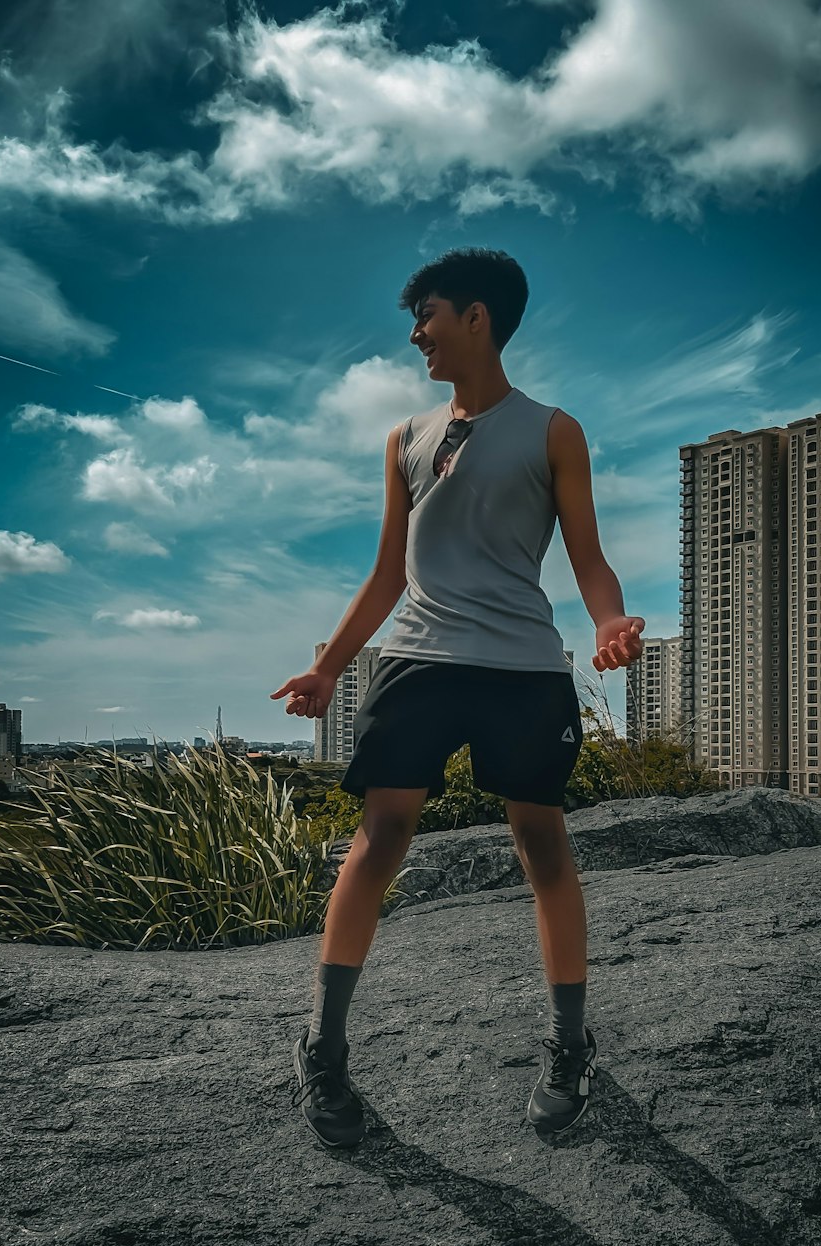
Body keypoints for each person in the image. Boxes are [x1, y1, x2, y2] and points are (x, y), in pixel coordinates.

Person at [271, 247, 644, 1148]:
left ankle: (567, 1044)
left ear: (478, 316)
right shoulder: (404, 438)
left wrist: (610, 622)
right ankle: (322, 1047)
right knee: (382, 836)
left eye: (427, 315)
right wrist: (329, 665)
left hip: (522, 663)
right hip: (419, 660)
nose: (414, 335)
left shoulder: (555, 430)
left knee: (542, 842)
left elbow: (587, 557)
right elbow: (384, 577)